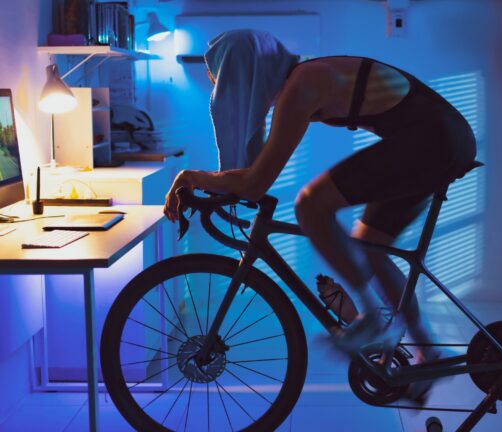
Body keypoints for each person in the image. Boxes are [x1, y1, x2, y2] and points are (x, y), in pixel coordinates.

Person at [163, 30, 477, 401]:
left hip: (432, 139)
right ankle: (428, 353)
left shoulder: (302, 87)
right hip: (441, 138)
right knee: (370, 245)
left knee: (311, 204)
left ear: (245, 75)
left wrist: (191, 177)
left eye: (233, 85)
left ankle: (370, 320)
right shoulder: (299, 82)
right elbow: (254, 172)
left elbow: (255, 182)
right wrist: (221, 182)